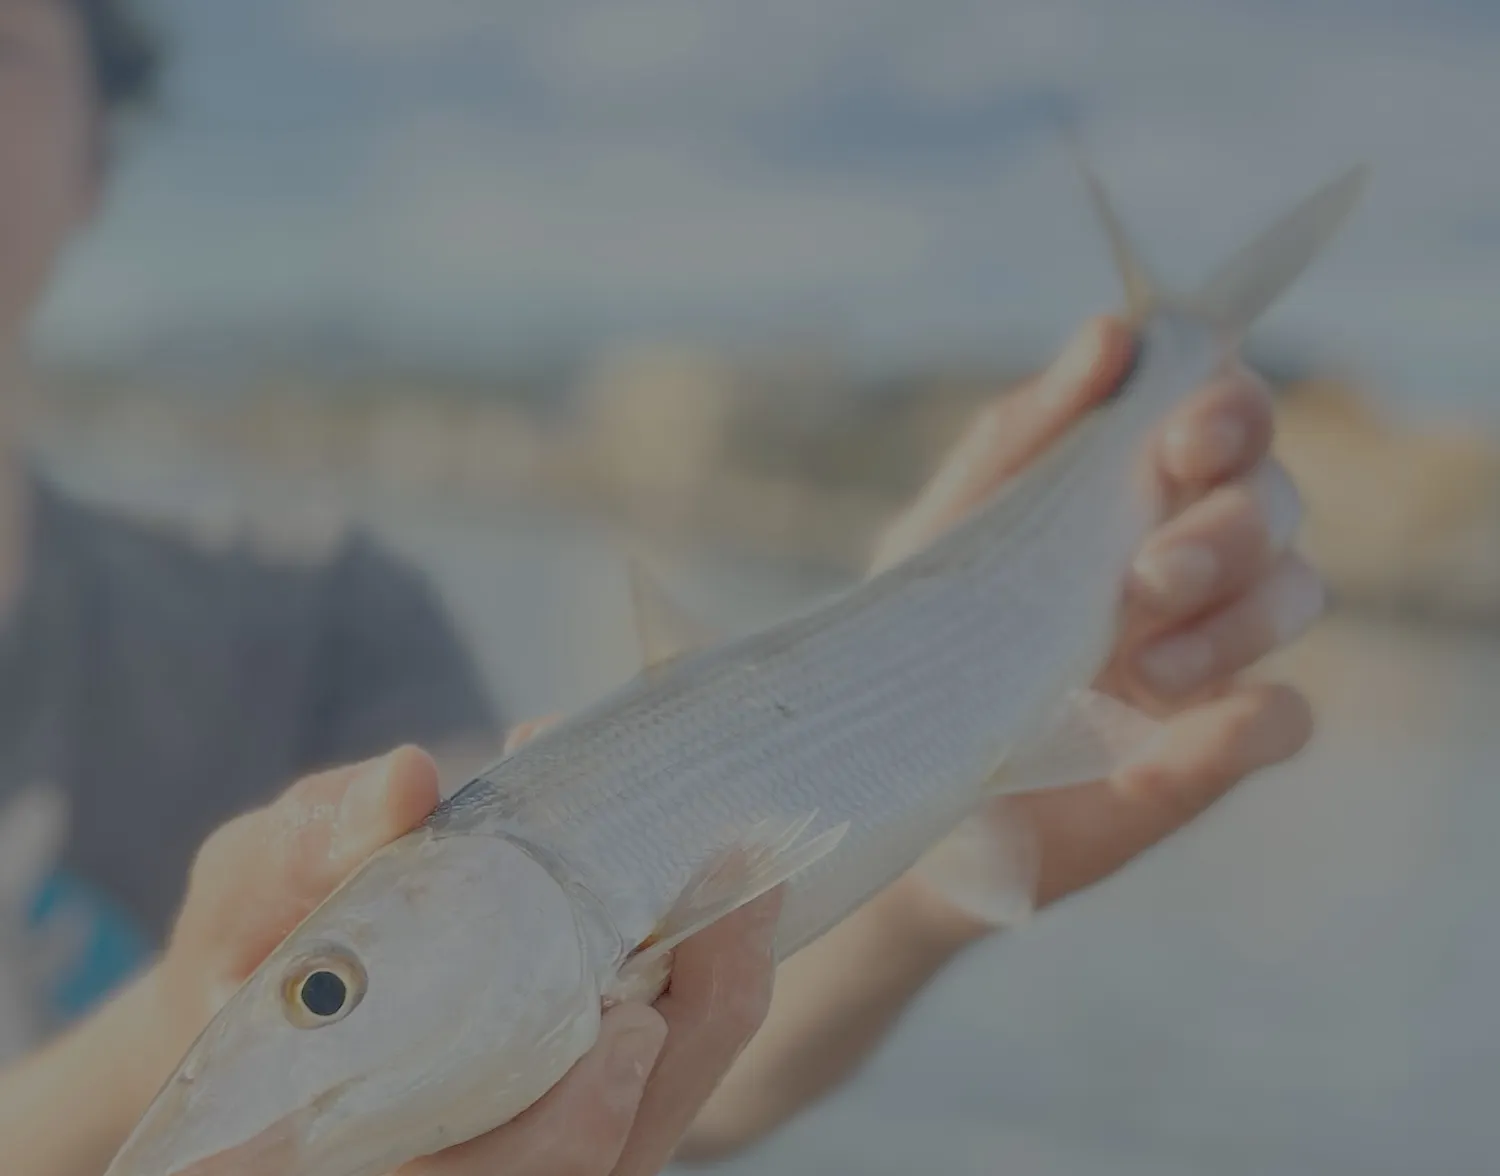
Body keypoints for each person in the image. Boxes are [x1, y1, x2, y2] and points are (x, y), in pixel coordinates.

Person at [1, 307, 1320, 1175]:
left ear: (103, 141)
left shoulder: (334, 612)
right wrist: (163, 1037)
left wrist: (917, 855)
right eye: (324, 991)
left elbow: (687, 1071)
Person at [0, 0, 504, 1031]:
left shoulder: (325, 622)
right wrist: (192, 1039)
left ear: (92, 159)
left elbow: (579, 968)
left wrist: (916, 879)